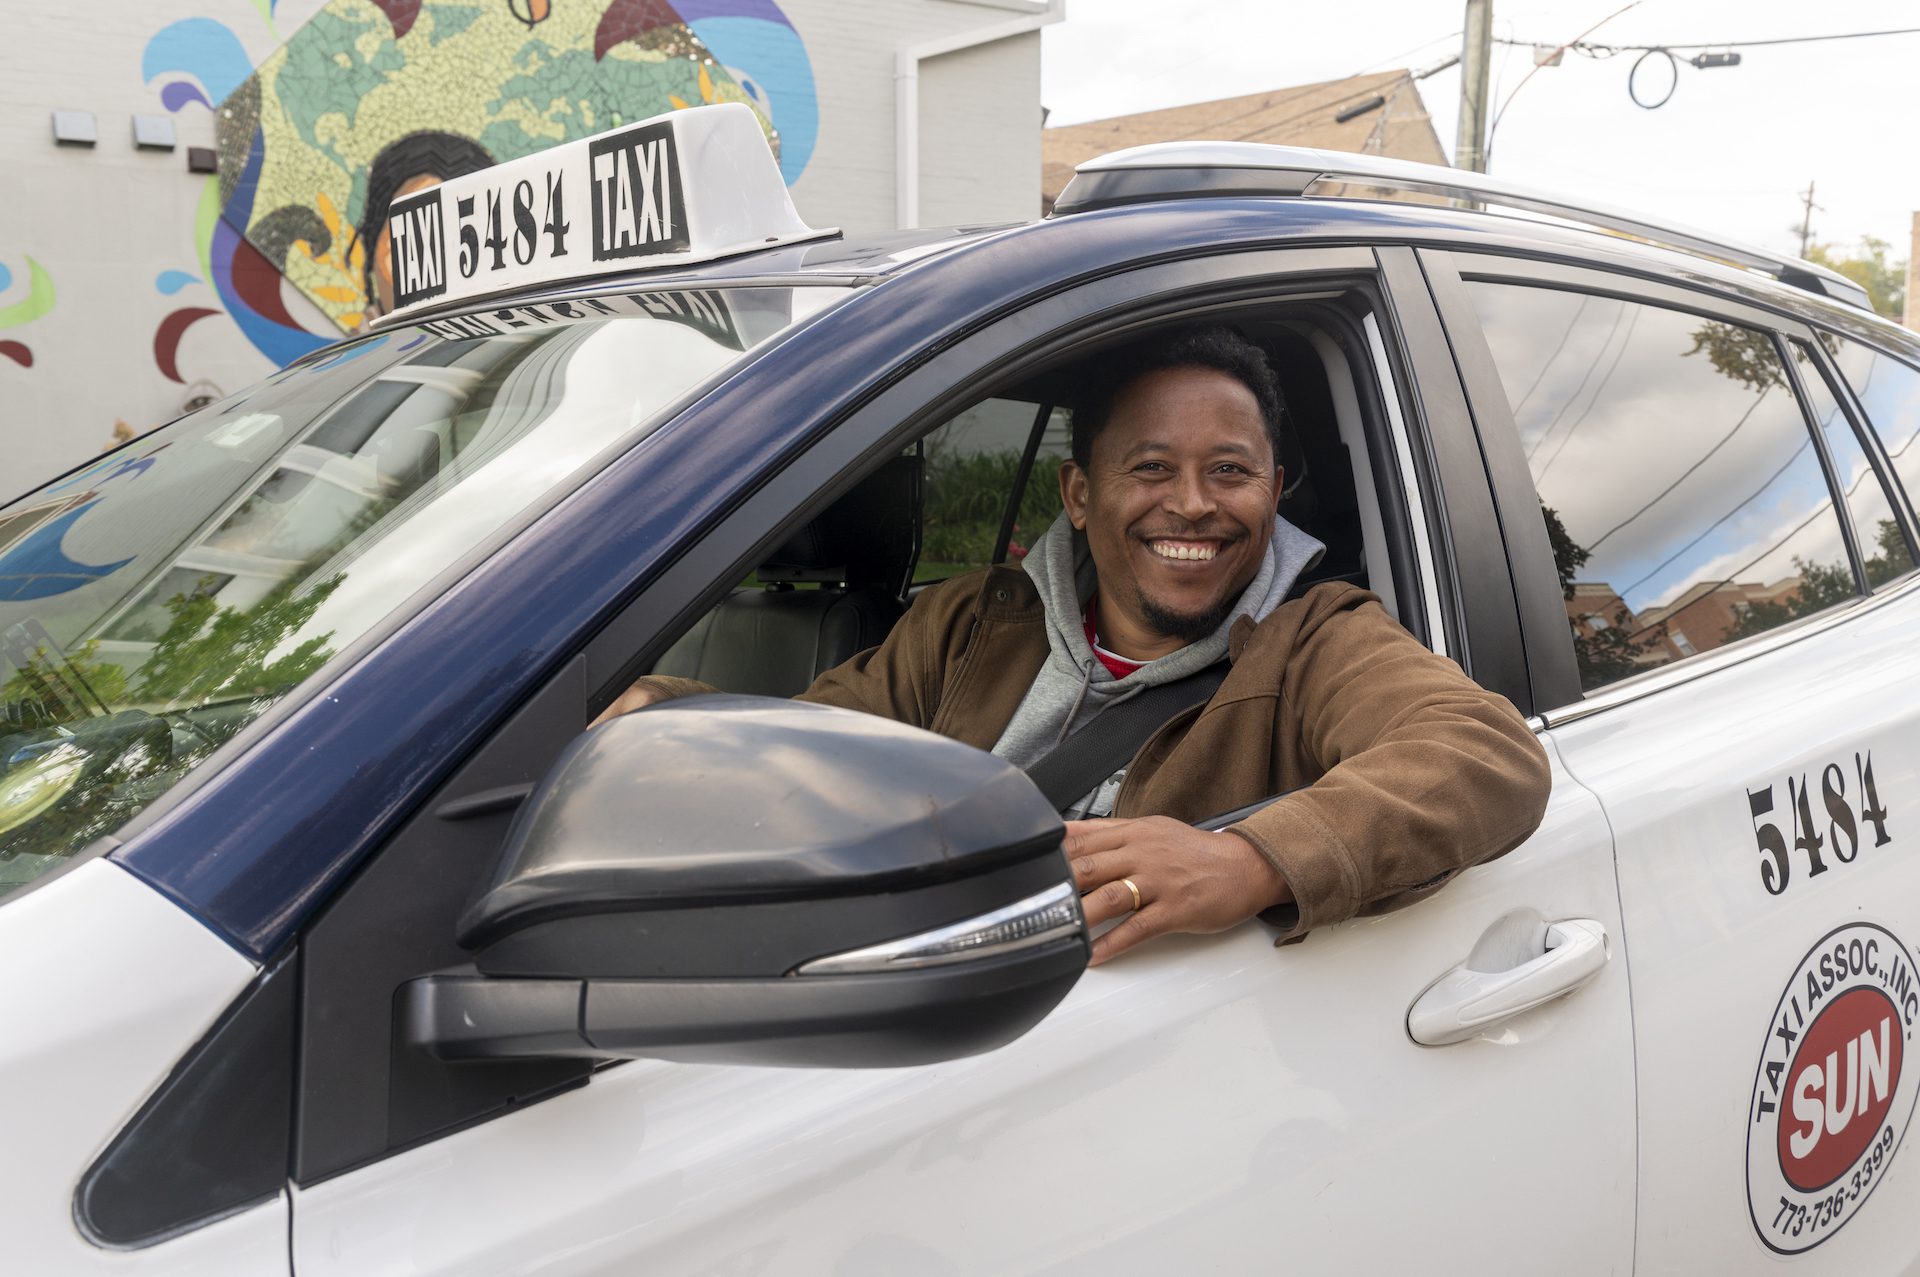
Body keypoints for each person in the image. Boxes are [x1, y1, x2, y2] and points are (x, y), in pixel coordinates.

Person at [596, 326, 1551, 964]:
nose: (1191, 503)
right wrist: (674, 722)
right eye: (1150, 468)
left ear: (1272, 491)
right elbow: (817, 745)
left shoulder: (1317, 640)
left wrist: (1249, 859)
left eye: (1230, 471)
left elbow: (1486, 753)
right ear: (1080, 495)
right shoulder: (970, 622)